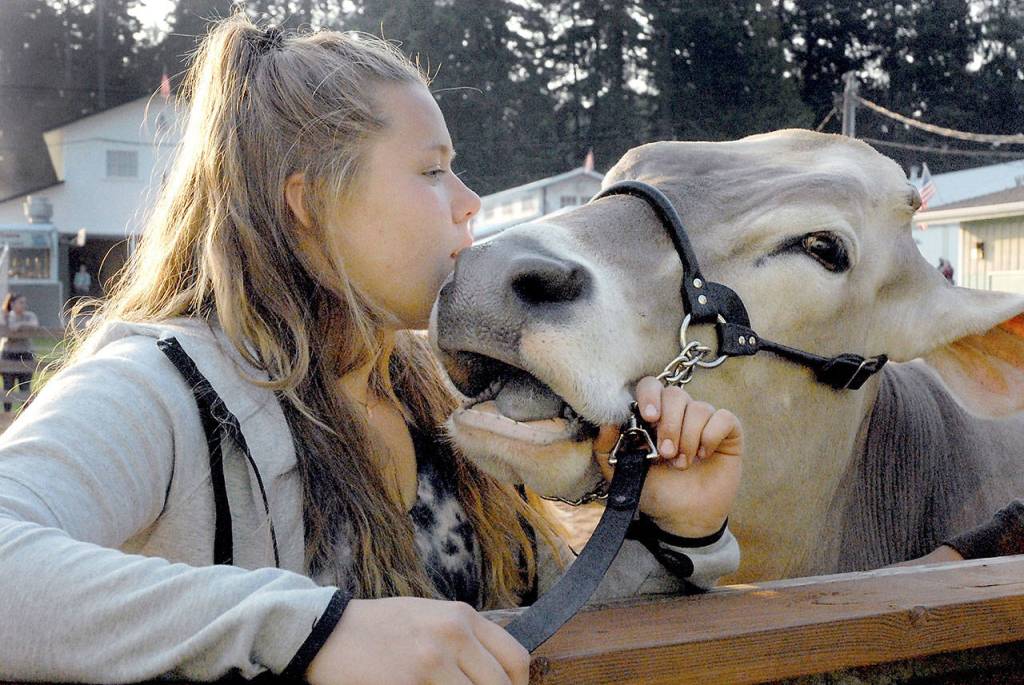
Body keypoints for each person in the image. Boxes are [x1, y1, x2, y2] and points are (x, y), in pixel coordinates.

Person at [0, 14, 744, 684]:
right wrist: (314, 631)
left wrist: (671, 527)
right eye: (430, 169)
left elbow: (522, 638)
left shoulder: (441, 396)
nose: (468, 201)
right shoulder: (163, 388)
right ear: (310, 203)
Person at [0, 292, 38, 412]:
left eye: (24, 303)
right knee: (8, 387)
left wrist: (20, 324)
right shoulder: (6, 316)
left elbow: (34, 325)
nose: (24, 305)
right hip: (9, 355)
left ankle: (25, 415)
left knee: (25, 387)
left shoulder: (29, 315)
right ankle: (7, 414)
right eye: (21, 302)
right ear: (12, 304)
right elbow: (8, 327)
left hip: (25, 354)